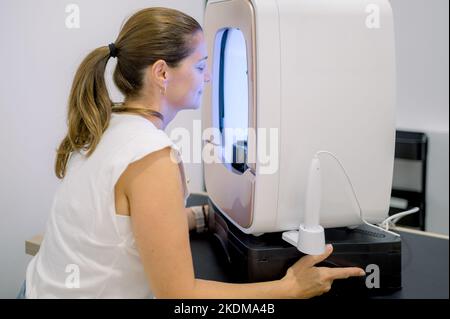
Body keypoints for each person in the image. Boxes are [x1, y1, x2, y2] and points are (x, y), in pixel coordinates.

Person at [23, 7, 365, 299]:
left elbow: (115, 229)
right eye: (201, 67)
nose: (208, 79)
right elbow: (179, 296)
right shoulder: (151, 156)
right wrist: (288, 288)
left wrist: (199, 218)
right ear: (161, 72)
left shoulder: (108, 124)